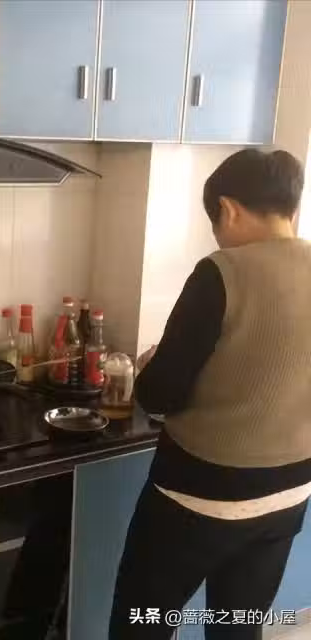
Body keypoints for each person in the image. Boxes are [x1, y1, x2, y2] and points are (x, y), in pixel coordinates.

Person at [109, 148, 311, 640]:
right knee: (237, 627)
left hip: (201, 493)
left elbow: (160, 397)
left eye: (215, 222)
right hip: (289, 492)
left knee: (142, 624)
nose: (217, 236)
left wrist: (149, 367)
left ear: (228, 209)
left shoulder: (221, 271)